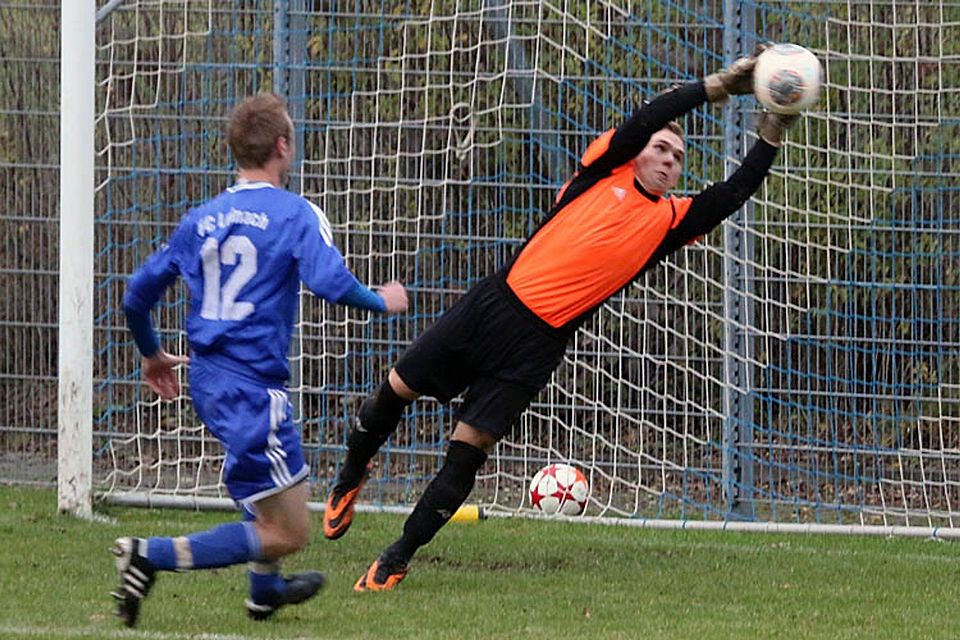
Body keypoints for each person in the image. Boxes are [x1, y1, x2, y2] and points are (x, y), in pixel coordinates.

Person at [322, 47, 798, 592]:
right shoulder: (600, 173)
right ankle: (351, 474)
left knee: (468, 450)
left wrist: (771, 133)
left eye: (678, 157)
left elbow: (733, 193)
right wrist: (718, 86)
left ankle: (396, 558)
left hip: (538, 346)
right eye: (661, 149)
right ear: (634, 156)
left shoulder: (670, 222)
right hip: (491, 305)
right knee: (394, 391)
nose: (669, 160)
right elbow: (643, 119)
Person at [112, 93, 408, 627]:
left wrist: (152, 354)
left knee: (272, 497)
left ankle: (264, 590)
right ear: (282, 147)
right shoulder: (295, 214)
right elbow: (330, 283)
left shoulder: (202, 218)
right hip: (250, 388)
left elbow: (136, 295)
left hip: (207, 377)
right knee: (289, 530)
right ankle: (147, 556)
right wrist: (380, 299)